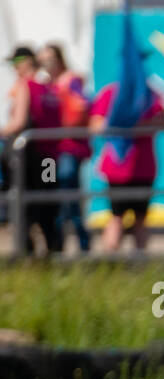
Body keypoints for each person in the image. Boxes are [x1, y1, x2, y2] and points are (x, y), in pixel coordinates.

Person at [88, 73, 164, 252]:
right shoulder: (111, 93)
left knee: (140, 218)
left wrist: (133, 127)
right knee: (116, 216)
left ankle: (140, 265)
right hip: (117, 169)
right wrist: (124, 126)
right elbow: (96, 125)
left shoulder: (149, 94)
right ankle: (112, 264)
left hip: (143, 168)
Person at [2, 46, 63, 255]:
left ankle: (27, 257)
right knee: (49, 205)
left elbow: (18, 122)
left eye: (15, 62)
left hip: (31, 158)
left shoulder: (25, 85)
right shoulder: (49, 87)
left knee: (24, 206)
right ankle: (55, 252)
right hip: (51, 158)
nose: (14, 68)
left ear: (26, 61)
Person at [38, 43, 92, 253]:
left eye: (49, 59)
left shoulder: (71, 81)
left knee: (68, 192)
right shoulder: (45, 84)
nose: (46, 64)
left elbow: (81, 108)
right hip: (50, 151)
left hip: (68, 149)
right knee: (51, 192)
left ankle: (81, 241)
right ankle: (56, 243)